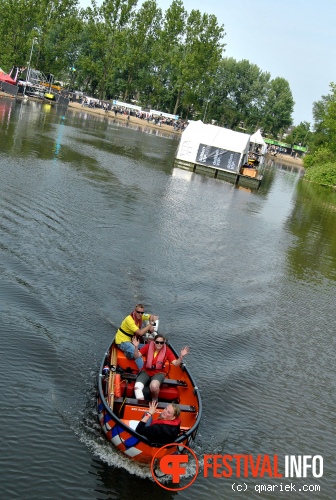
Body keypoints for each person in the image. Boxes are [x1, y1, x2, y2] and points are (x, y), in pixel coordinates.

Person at [133, 335, 189, 400]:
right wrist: (136, 347)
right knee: (137, 387)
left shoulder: (167, 351)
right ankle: (141, 404)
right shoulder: (148, 347)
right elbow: (136, 356)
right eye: (157, 342)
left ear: (164, 343)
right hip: (146, 371)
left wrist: (181, 356)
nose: (159, 344)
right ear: (154, 342)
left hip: (158, 373)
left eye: (161, 343)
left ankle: (154, 399)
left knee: (153, 386)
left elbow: (176, 363)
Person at [115, 304, 158, 370]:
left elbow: (151, 316)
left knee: (150, 347)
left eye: (142, 312)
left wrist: (153, 319)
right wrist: (150, 325)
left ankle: (129, 354)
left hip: (131, 341)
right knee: (137, 355)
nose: (140, 314)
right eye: (138, 312)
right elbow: (140, 333)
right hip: (122, 341)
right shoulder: (129, 320)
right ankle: (143, 372)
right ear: (134, 311)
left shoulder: (141, 316)